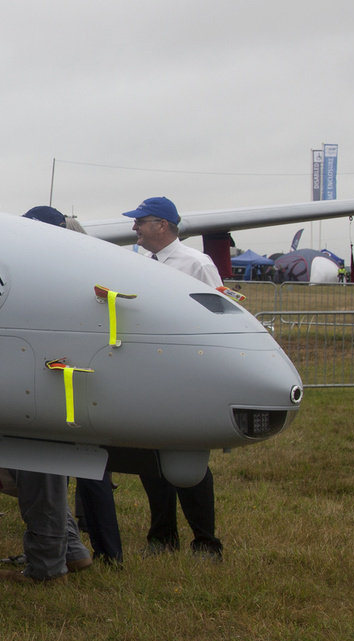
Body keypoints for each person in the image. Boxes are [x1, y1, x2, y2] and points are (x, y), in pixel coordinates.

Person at [21, 205, 125, 565]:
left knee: (40, 470)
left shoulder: (53, 270)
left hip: (53, 383)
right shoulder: (86, 264)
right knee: (77, 472)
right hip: (73, 383)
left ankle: (48, 560)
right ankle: (77, 547)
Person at [123, 196, 224, 559]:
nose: (134, 227)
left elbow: (219, 314)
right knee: (150, 459)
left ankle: (206, 541)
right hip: (148, 371)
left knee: (187, 458)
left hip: (186, 374)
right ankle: (162, 536)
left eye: (140, 221)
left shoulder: (197, 264)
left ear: (162, 225)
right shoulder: (136, 261)